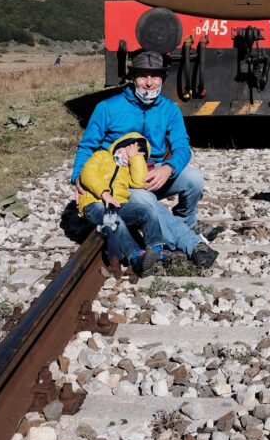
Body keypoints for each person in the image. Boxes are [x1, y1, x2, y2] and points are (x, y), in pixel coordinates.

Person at [72, 49, 220, 241]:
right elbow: (87, 146)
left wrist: (168, 168)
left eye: (155, 76)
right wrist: (78, 177)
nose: (149, 83)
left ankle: (187, 221)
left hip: (154, 171)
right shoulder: (107, 107)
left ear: (162, 79)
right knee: (145, 199)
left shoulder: (170, 109)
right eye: (142, 76)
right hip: (121, 176)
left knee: (194, 180)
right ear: (133, 77)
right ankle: (183, 240)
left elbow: (182, 147)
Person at [78, 132, 217, 276]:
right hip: (95, 203)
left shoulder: (127, 170)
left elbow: (139, 182)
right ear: (119, 146)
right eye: (128, 149)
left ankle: (155, 250)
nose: (128, 154)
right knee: (115, 221)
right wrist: (104, 193)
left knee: (147, 212)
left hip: (117, 205)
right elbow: (87, 173)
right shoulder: (102, 156)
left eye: (137, 153)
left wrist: (135, 158)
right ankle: (136, 256)